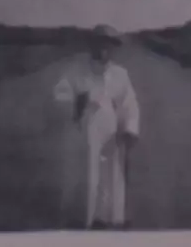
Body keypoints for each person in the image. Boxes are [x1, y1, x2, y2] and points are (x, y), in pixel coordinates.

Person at [53, 25, 140, 229]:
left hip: (111, 132)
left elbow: (129, 103)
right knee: (87, 174)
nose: (103, 50)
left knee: (111, 175)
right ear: (91, 45)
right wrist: (77, 100)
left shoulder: (120, 74)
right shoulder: (77, 70)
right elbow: (59, 93)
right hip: (85, 130)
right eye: (99, 44)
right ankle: (85, 220)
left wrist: (129, 128)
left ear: (113, 48)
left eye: (108, 46)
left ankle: (109, 219)